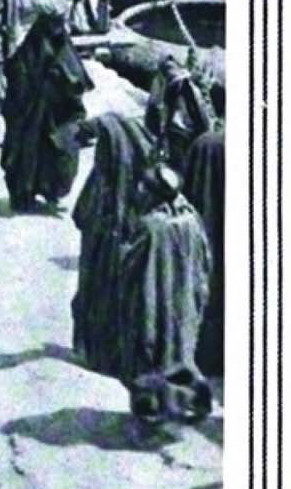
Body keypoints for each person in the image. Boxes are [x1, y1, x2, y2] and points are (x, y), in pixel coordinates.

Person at [71, 107, 160, 377]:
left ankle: (99, 352)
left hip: (103, 250)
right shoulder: (143, 183)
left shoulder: (105, 181)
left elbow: (82, 213)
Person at [116, 165, 214, 392]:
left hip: (154, 302)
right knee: (180, 348)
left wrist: (123, 251)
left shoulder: (150, 226)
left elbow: (129, 266)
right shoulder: (191, 218)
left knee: (151, 352)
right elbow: (205, 259)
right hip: (185, 300)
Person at [1, 1, 90, 212]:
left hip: (58, 113)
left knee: (61, 154)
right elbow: (17, 75)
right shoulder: (31, 48)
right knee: (26, 154)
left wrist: (66, 84)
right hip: (30, 113)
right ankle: (23, 195)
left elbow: (77, 77)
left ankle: (50, 190)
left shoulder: (63, 45)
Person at [181, 125, 225, 378]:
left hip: (204, 224)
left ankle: (206, 358)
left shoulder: (204, 143)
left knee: (206, 290)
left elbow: (184, 188)